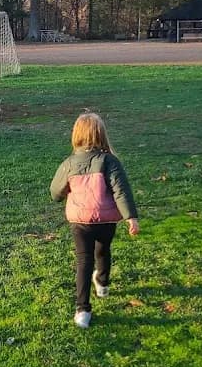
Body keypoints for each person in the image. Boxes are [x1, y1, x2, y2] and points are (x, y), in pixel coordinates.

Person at [50, 112, 139, 328]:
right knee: (103, 250)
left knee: (84, 261)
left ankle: (83, 310)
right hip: (106, 220)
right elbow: (121, 191)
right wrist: (131, 217)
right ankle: (102, 283)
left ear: (76, 135)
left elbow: (55, 192)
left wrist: (66, 191)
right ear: (101, 135)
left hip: (80, 221)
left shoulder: (69, 163)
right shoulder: (110, 161)